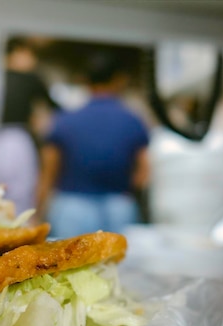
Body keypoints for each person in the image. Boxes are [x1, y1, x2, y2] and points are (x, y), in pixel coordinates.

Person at [37, 50, 150, 237]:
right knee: (116, 265)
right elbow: (144, 172)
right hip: (118, 209)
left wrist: (39, 213)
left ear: (85, 80)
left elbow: (48, 173)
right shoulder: (133, 120)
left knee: (70, 264)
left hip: (71, 209)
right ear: (119, 80)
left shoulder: (64, 120)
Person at [0, 37, 59, 215]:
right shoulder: (30, 78)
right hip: (16, 138)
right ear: (17, 53)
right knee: (20, 193)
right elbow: (55, 108)